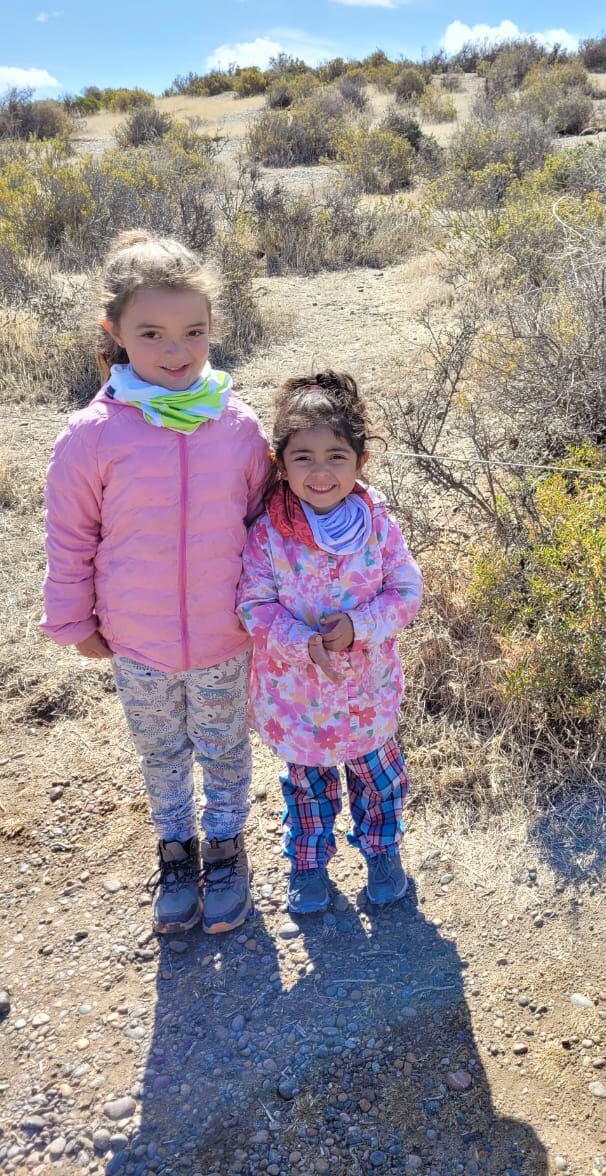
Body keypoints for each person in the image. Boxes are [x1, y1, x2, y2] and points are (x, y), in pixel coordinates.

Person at [40, 230, 271, 935]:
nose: (176, 351)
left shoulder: (237, 425)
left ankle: (226, 848)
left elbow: (264, 524)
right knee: (163, 751)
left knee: (227, 746)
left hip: (225, 633)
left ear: (212, 329)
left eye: (193, 332)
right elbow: (71, 538)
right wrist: (73, 622)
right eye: (151, 333)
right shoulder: (92, 434)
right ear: (114, 333)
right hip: (136, 639)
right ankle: (177, 851)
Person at [237, 371, 423, 913]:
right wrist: (301, 641)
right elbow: (253, 605)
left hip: (367, 690)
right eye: (304, 458)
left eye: (336, 456)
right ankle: (309, 863)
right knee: (308, 788)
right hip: (298, 698)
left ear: (360, 462)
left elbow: (407, 591)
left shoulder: (378, 524)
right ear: (280, 464)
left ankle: (382, 854)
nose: (321, 472)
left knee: (379, 782)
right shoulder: (268, 533)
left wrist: (360, 626)